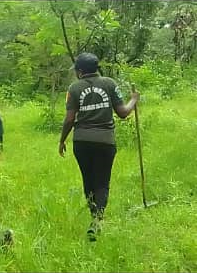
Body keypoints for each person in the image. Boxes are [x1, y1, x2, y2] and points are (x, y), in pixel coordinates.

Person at [58, 52, 140, 241]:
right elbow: (122, 113)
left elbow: (70, 119)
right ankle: (98, 220)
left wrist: (62, 140)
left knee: (88, 180)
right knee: (102, 182)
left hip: (82, 142)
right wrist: (134, 99)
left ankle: (94, 216)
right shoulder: (110, 83)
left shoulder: (74, 88)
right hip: (105, 141)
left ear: (80, 71)